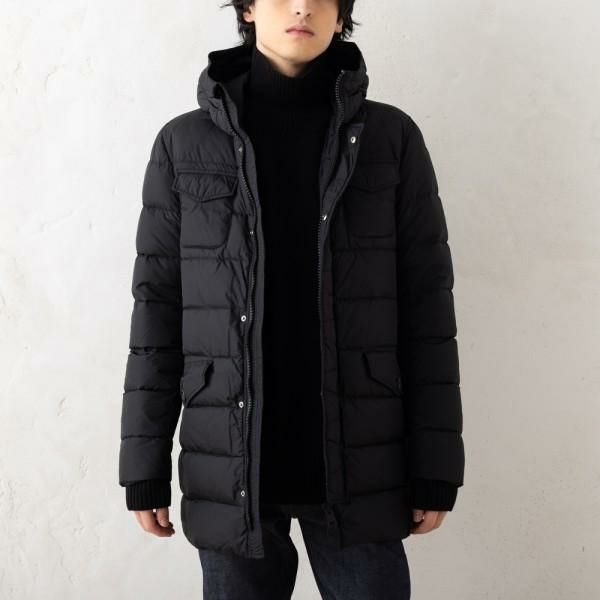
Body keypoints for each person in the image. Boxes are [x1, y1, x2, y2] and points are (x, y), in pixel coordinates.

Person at [118, 1, 465, 598]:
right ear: (248, 8)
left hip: (361, 464)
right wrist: (142, 467)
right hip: (230, 463)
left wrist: (435, 466)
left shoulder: (390, 139)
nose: (302, 6)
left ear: (341, 15)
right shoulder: (184, 145)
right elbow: (158, 312)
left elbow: (427, 311)